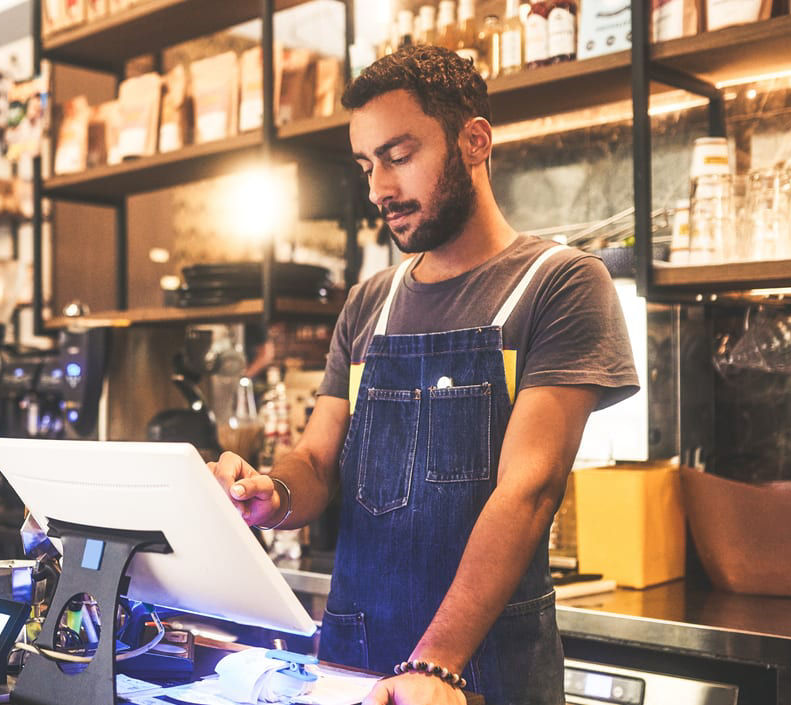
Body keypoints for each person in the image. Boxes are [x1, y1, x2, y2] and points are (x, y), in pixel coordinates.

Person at [209, 45, 638, 705]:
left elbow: (529, 491)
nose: (379, 187)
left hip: (478, 675)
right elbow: (319, 464)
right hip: (352, 665)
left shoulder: (559, 284)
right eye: (366, 164)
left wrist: (436, 664)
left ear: (474, 140)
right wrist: (271, 495)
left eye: (399, 156)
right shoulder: (368, 303)